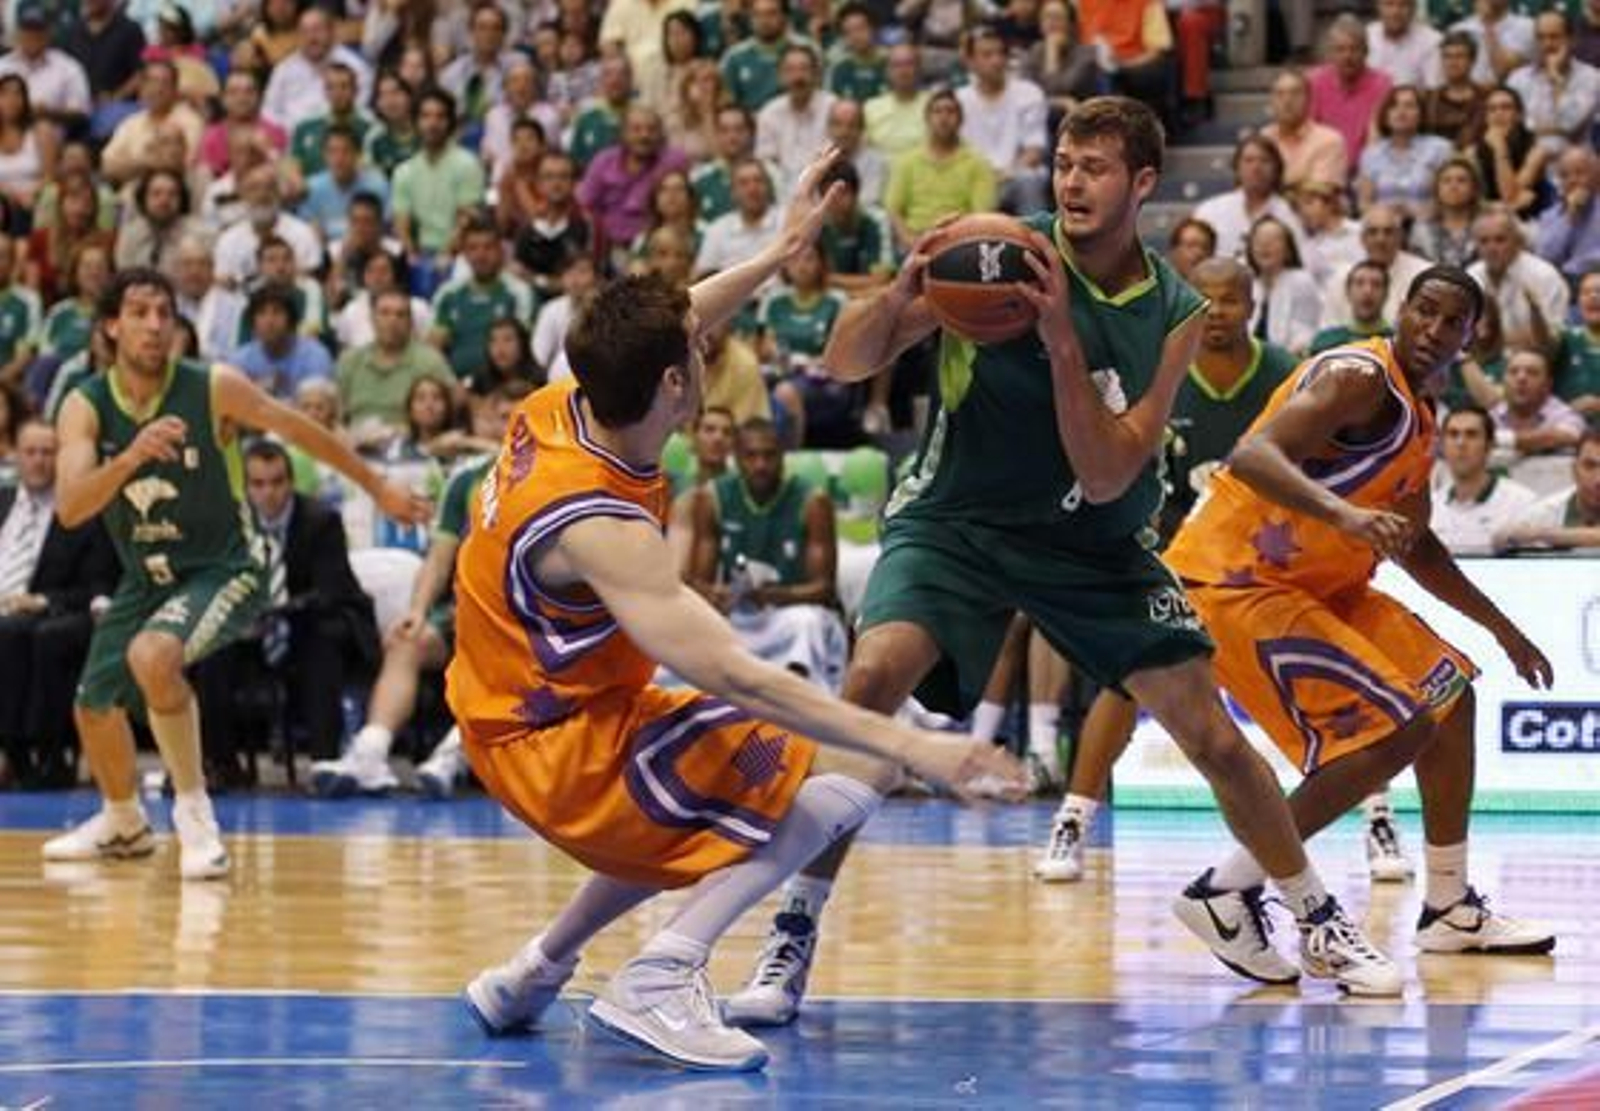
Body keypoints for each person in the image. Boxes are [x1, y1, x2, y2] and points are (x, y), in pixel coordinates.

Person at [727, 99, 1401, 1028]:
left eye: (1094, 167)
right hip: (956, 520)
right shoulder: (994, 252)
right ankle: (793, 932)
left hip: (1094, 539)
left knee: (1209, 731)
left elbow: (1109, 465)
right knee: (872, 677)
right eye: (1064, 164)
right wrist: (898, 298)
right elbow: (845, 364)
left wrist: (1060, 346)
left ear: (1143, 184)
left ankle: (1317, 915)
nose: (1072, 182)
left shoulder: (1175, 310)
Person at [450, 148, 1025, 1072]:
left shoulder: (564, 402)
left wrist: (778, 249)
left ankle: (533, 969)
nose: (707, 342)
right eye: (698, 351)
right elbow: (735, 672)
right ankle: (662, 974)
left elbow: (679, 316)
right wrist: (924, 747)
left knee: (699, 786)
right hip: (556, 750)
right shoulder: (600, 525)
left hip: (536, 709)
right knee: (855, 763)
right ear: (678, 386)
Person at [1163, 267, 1556, 977]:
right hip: (1238, 578)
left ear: (1472, 338)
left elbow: (1418, 544)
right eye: (1424, 313)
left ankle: (1448, 907)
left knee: (1448, 699)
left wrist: (1502, 627)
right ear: (1401, 312)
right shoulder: (1357, 376)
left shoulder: (1421, 413)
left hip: (1323, 582)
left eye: (1451, 323)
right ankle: (1224, 889)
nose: (1433, 331)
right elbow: (1251, 454)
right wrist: (1345, 515)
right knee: (1398, 725)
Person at [42, 267, 429, 880]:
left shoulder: (211, 386)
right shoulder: (84, 405)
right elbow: (70, 507)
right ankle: (124, 822)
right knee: (93, 706)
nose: (154, 324)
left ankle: (195, 819)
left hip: (226, 569)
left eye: (164, 312)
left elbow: (300, 430)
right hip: (148, 578)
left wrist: (378, 486)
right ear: (111, 326)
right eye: (139, 312)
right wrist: (134, 456)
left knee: (153, 657)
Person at [1035, 257, 1297, 881]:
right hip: (1178, 554)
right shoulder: (1163, 372)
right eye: (1204, 300)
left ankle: (1375, 821)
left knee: (1317, 678)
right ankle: (1073, 819)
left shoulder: (1283, 375)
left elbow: (1305, 469)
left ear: (1252, 304)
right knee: (1129, 680)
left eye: (1230, 299)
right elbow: (1133, 474)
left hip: (1266, 559)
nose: (1217, 311)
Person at [311, 383, 527, 798]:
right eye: (502, 416)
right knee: (407, 640)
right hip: (468, 610)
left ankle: (453, 756)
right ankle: (371, 754)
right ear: (485, 421)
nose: (510, 425)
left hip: (532, 622)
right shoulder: (467, 480)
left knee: (499, 652)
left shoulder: (556, 478)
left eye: (520, 416)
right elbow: (439, 559)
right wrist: (418, 610)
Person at [688, 417, 847, 692]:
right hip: (738, 616)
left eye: (769, 455)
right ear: (736, 458)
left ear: (783, 457)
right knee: (688, 623)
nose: (760, 465)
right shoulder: (711, 498)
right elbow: (697, 581)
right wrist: (716, 595)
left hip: (788, 615)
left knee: (807, 621)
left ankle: (799, 699)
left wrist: (772, 595)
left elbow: (824, 589)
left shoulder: (812, 501)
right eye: (751, 456)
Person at [0, 419, 117, 789]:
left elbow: (98, 584)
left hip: (48, 610)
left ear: (62, 459)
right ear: (14, 456)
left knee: (21, 633)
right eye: (30, 452)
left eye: (47, 453)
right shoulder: (2, 503)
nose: (38, 461)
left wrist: (42, 600)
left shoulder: (80, 511)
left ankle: (29, 752)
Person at [1432, 405, 1538, 555]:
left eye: (1471, 434)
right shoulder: (1430, 506)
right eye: (1453, 434)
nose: (1461, 443)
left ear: (1490, 444)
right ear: (1442, 445)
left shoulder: (1522, 502)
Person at [1192, 135, 1310, 262]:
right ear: (1236, 168)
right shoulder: (1210, 210)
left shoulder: (1291, 213)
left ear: (1277, 169)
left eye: (1265, 161)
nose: (1256, 168)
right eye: (1249, 161)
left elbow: (1304, 261)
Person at [1468, 206, 1569, 351]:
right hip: (1485, 359)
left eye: (1500, 240)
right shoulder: (1472, 275)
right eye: (1484, 241)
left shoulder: (1543, 275)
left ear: (1518, 241)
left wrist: (1492, 340)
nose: (1491, 248)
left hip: (1536, 359)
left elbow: (1551, 337)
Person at [1506, 10, 1600, 157]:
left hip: (1574, 166)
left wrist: (1555, 78)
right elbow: (1509, 128)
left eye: (1554, 37)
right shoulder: (1518, 78)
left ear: (1572, 39)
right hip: (1526, 159)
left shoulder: (1592, 77)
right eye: (1540, 37)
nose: (1547, 44)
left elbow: (1570, 123)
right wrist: (1557, 131)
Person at [1308, 15, 1392, 177]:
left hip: (1368, 171)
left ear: (1366, 52)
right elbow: (1310, 132)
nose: (1348, 56)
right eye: (1340, 49)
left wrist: (1365, 172)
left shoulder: (1382, 84)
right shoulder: (1315, 82)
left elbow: (1377, 138)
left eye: (1354, 49)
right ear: (1330, 53)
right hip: (1324, 169)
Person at [1357, 86, 1454, 222]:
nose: (1401, 111)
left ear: (1421, 114)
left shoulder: (1440, 148)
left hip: (1429, 226)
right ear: (1386, 114)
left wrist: (1416, 213)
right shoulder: (1371, 154)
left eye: (1409, 106)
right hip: (1384, 230)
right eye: (1394, 106)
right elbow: (1364, 203)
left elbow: (1451, 198)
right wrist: (1385, 215)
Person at [1494, 429, 1600, 551]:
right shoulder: (1544, 512)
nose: (1598, 479)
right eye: (1590, 466)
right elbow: (1500, 539)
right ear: (1574, 470)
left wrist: (1543, 535)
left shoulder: (1539, 530)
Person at [1260, 69, 1348, 193]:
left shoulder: (1329, 140)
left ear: (1309, 100)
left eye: (1295, 93)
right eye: (1279, 94)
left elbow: (1316, 197)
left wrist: (1273, 188)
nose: (1287, 100)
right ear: (1272, 102)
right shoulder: (1263, 138)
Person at [1490, 348, 1587, 459]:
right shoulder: (1491, 416)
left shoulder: (1565, 414)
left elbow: (1568, 436)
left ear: (1548, 384)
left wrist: (1500, 439)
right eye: (1513, 372)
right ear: (1503, 381)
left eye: (1532, 373)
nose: (1521, 378)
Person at [1246, 217, 1322, 355]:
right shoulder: (1246, 281)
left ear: (1288, 249)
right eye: (1258, 240)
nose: (1264, 245)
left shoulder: (1301, 281)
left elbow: (1304, 332)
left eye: (1273, 240)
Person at [1535, 146, 1600, 283]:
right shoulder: (1549, 216)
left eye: (1579, 173)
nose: (1572, 180)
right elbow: (1545, 258)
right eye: (1564, 175)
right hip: (1563, 284)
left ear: (1596, 175)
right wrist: (1569, 218)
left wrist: (1572, 268)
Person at [1411, 157, 1486, 270]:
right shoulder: (1421, 228)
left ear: (1474, 188)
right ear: (1437, 189)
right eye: (1446, 181)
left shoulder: (1490, 224)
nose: (1453, 186)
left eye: (1461, 180)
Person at [1309, 260, 1394, 355]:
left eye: (1376, 284)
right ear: (1347, 292)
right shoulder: (1324, 341)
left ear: (1386, 294)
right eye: (1359, 283)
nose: (1367, 291)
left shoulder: (1395, 343)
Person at [1553, 267, 1600, 418]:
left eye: (1599, 291)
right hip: (1564, 431)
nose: (1593, 297)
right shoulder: (1563, 339)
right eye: (1585, 292)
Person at [1367, 0, 1442, 89]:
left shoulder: (1432, 41)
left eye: (1403, 5)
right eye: (1389, 4)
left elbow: (1433, 89)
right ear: (1378, 7)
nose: (1396, 12)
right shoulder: (1366, 37)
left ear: (1413, 9)